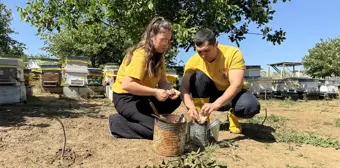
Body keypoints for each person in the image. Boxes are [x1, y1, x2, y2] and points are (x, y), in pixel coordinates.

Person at [108, 17, 181, 139]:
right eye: (163, 39)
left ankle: (144, 117)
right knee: (156, 131)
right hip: (126, 98)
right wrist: (155, 92)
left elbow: (162, 82)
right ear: (152, 37)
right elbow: (127, 85)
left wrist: (171, 91)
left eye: (168, 40)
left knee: (175, 100)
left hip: (143, 96)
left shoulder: (160, 57)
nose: (166, 44)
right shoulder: (141, 55)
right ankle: (116, 123)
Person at [180, 28, 260, 134]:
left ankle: (233, 115)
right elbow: (184, 88)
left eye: (207, 50)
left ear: (216, 44)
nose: (203, 55)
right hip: (212, 94)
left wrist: (215, 104)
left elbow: (236, 85)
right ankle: (202, 120)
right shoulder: (192, 61)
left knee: (250, 107)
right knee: (197, 76)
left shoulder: (233, 54)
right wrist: (190, 107)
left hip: (233, 94)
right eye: (199, 51)